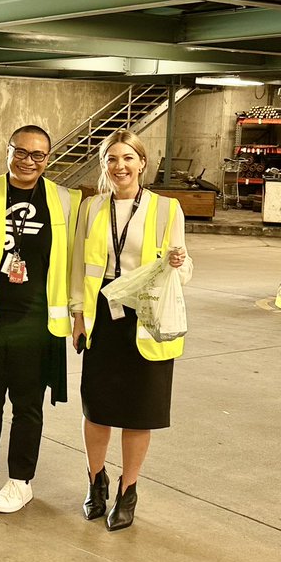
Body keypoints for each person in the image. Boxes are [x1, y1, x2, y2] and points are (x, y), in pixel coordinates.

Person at [0, 125, 80, 514]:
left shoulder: (65, 200)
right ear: (7, 151)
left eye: (38, 155)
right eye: (20, 152)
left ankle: (21, 481)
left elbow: (77, 256)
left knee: (27, 406)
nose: (28, 161)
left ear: (48, 158)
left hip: (38, 320)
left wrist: (78, 312)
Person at [70, 129, 190, 531]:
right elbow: (77, 265)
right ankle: (95, 479)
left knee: (140, 411)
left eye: (128, 158)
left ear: (142, 162)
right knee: (98, 407)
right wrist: (78, 315)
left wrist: (178, 263)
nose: (120, 166)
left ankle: (128, 489)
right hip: (103, 315)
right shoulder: (90, 208)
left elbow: (184, 266)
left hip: (147, 316)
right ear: (104, 165)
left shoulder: (167, 208)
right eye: (112, 159)